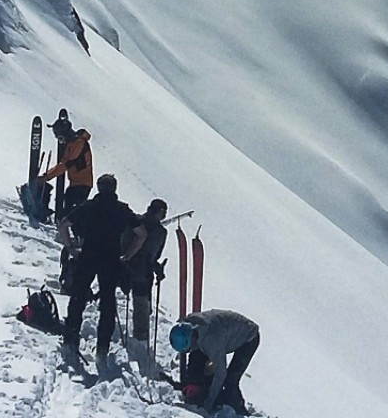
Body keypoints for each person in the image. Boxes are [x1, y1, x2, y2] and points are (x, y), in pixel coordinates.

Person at [59, 174, 146, 364]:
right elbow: (141, 234)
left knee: (78, 297)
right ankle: (102, 348)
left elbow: (64, 224)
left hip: (88, 256)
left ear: (98, 188)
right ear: (114, 188)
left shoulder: (88, 206)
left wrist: (70, 248)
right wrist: (127, 256)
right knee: (108, 303)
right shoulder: (122, 209)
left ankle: (70, 340)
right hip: (111, 259)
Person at [170, 309, 260, 415]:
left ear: (192, 339)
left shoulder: (212, 342)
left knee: (230, 380)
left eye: (188, 348)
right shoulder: (191, 324)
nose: (189, 351)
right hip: (224, 329)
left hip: (249, 337)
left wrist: (208, 403)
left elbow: (221, 373)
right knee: (196, 356)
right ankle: (197, 386)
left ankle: (239, 410)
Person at [121, 199, 170, 373]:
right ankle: (140, 343)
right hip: (144, 273)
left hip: (125, 268)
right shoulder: (161, 232)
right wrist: (157, 268)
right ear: (160, 212)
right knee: (142, 307)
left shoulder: (135, 221)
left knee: (131, 301)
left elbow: (124, 242)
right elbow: (154, 255)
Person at [40, 122, 93, 220]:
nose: (57, 137)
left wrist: (47, 177)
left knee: (72, 213)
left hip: (82, 184)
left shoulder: (79, 143)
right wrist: (46, 176)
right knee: (69, 209)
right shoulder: (73, 144)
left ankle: (70, 230)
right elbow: (64, 164)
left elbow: (66, 164)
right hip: (77, 183)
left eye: (58, 134)